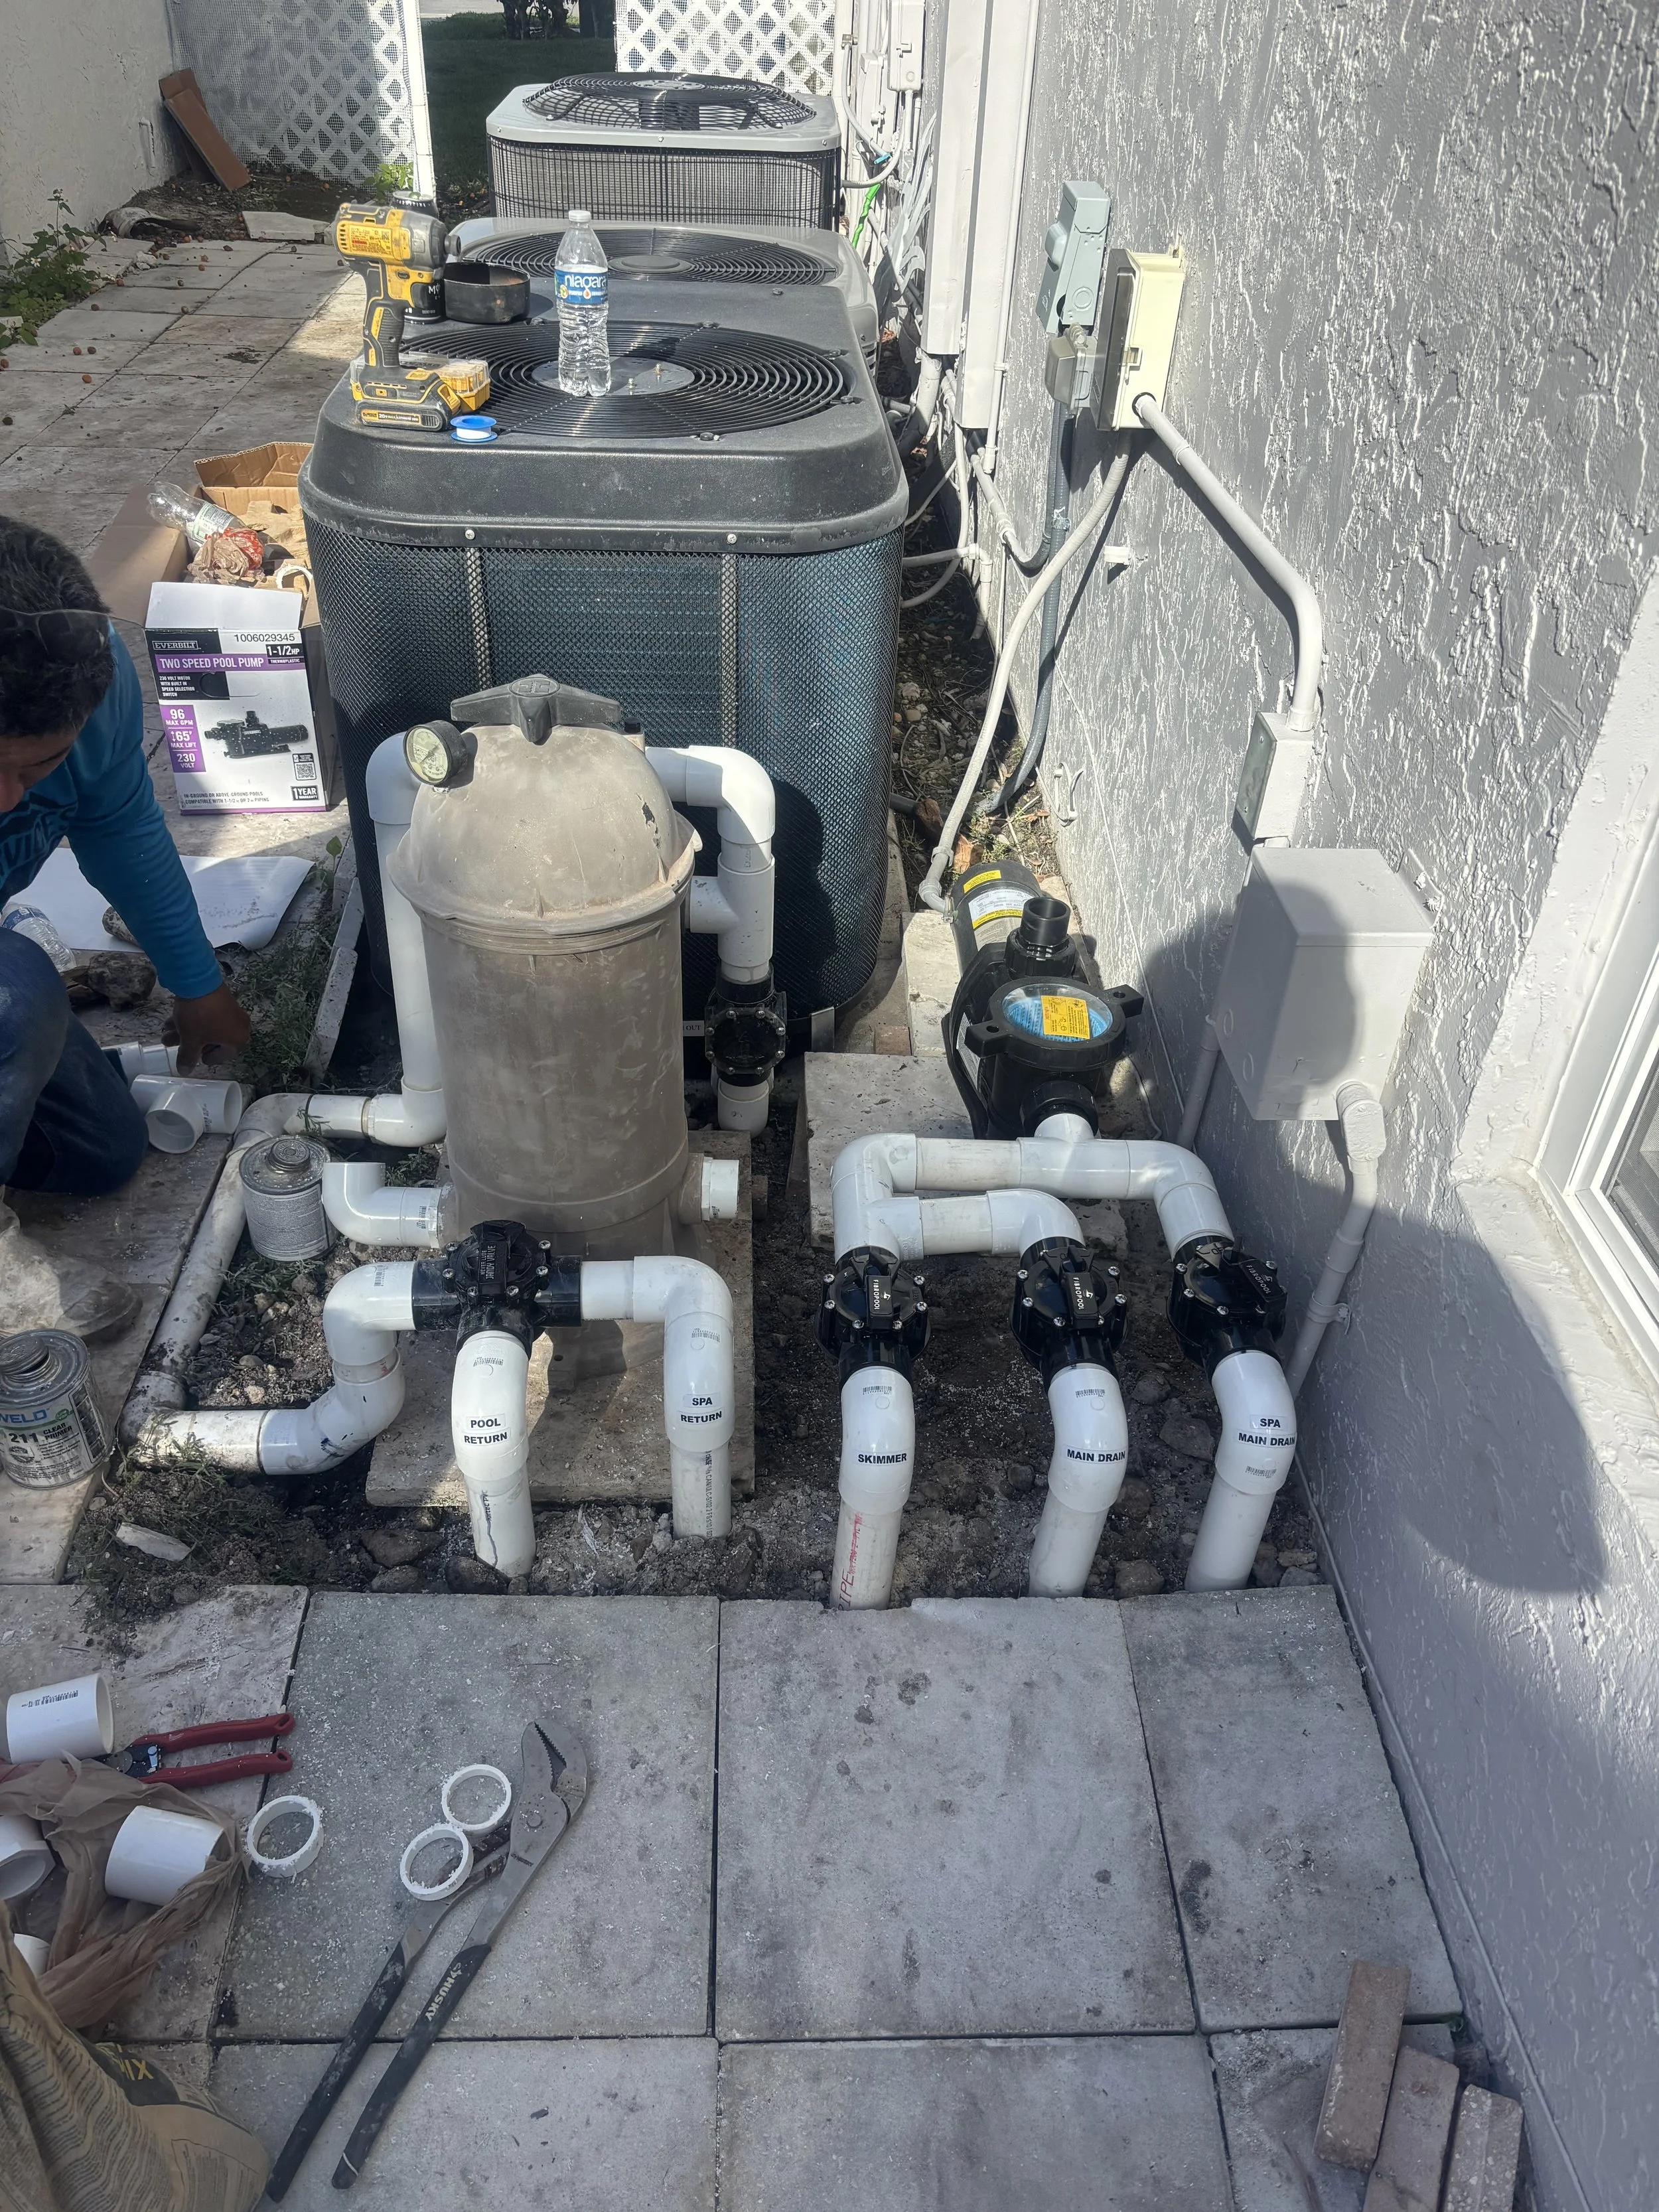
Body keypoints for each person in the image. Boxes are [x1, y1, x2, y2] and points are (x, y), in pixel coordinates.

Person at [1, 516, 250, 1340]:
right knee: (15, 1001)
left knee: (99, 1150)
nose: (10, 799)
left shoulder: (94, 686)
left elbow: (122, 833)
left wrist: (197, 984)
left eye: (35, 769)